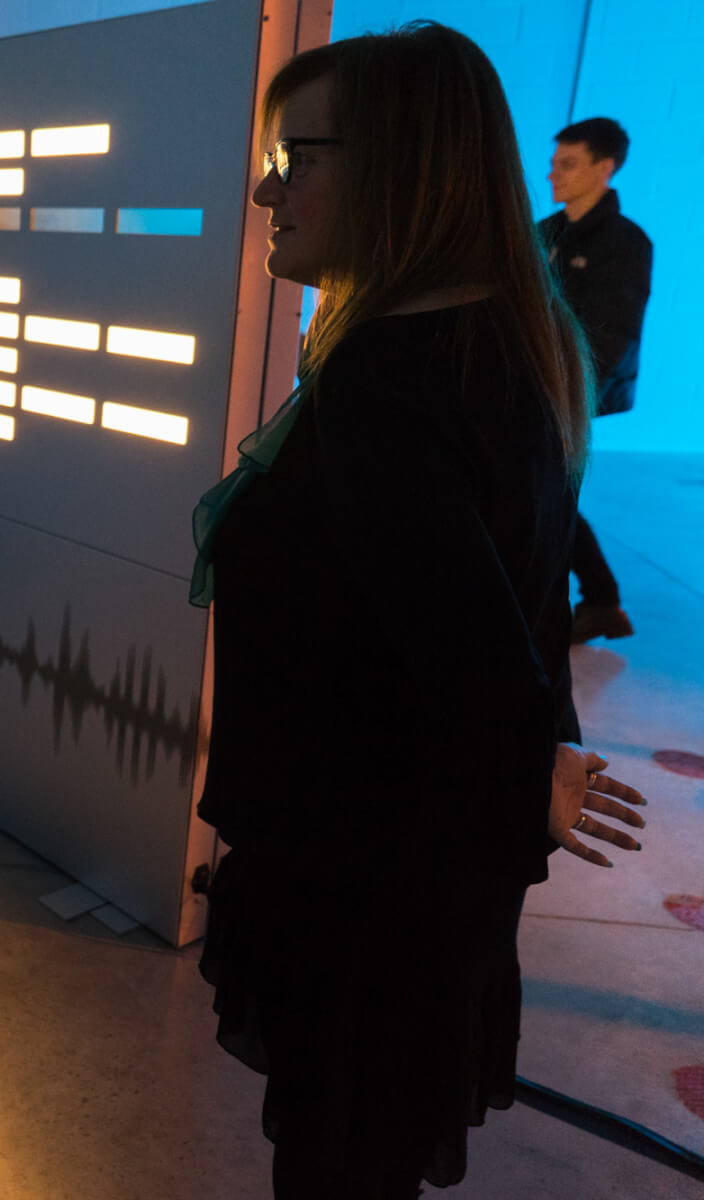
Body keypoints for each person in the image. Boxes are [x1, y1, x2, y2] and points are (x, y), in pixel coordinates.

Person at [188, 25, 648, 1198]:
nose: (266, 189)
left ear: (401, 166)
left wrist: (522, 752)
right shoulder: (504, 339)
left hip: (366, 887)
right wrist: (535, 753)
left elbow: (470, 643)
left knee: (342, 1159)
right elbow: (504, 607)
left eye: (298, 158)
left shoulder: (389, 383)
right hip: (428, 879)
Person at [540, 117, 653, 644]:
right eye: (554, 163)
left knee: (546, 492)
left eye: (567, 164)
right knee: (546, 491)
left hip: (573, 392)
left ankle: (598, 601)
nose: (552, 176)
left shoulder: (626, 243)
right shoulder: (546, 234)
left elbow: (614, 334)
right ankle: (600, 601)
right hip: (542, 386)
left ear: (604, 169)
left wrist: (571, 392)